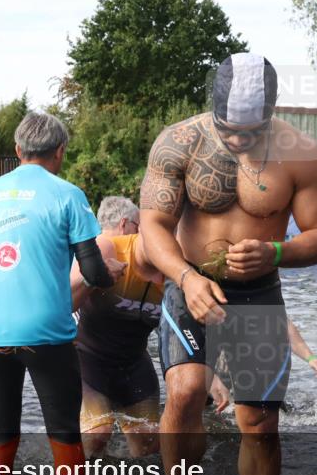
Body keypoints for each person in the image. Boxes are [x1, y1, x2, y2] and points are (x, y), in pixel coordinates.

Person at [139, 53, 317, 475]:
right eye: (229, 129)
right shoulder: (178, 142)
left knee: (259, 423)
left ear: (271, 112)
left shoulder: (303, 153)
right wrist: (184, 276)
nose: (237, 141)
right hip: (190, 285)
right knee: (183, 392)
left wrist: (276, 251)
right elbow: (153, 226)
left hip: (259, 292)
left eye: (250, 132)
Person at [0, 111, 118, 475]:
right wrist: (110, 281)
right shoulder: (68, 195)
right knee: (64, 429)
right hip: (48, 334)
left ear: (18, 150)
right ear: (60, 152)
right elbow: (93, 269)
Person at [70, 196, 230, 459]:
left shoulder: (179, 275)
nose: (165, 246)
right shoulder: (108, 249)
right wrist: (93, 277)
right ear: (143, 226)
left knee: (150, 446)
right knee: (97, 435)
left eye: (173, 238)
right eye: (160, 234)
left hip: (133, 365)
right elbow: (61, 303)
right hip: (87, 361)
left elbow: (189, 330)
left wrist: (208, 373)